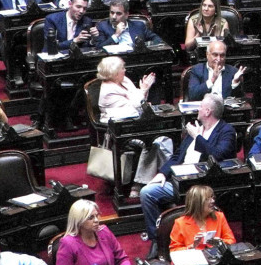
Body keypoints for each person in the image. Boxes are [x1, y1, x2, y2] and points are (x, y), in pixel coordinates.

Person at [138, 93, 236, 248]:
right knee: (146, 193)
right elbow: (177, 156)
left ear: (208, 111)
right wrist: (162, 173)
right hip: (178, 180)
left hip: (201, 184)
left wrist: (198, 138)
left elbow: (217, 156)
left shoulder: (226, 131)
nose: (198, 108)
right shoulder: (196, 129)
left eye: (201, 106)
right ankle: (157, 240)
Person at [56, 199, 130, 265]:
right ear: (79, 221)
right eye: (90, 218)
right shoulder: (68, 244)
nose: (96, 220)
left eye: (97, 215)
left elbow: (122, 259)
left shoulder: (104, 232)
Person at [170, 184, 235, 253]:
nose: (213, 201)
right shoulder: (180, 223)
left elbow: (231, 240)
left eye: (212, 197)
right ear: (197, 203)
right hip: (193, 260)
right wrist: (192, 246)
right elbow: (174, 251)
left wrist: (220, 242)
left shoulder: (219, 216)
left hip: (215, 259)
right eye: (207, 199)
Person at [95, 56, 157, 121]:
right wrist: (144, 89)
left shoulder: (124, 80)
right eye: (122, 68)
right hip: (118, 122)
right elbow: (134, 105)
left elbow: (138, 99)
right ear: (115, 73)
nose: (125, 70)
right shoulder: (108, 91)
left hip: (134, 115)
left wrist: (144, 89)